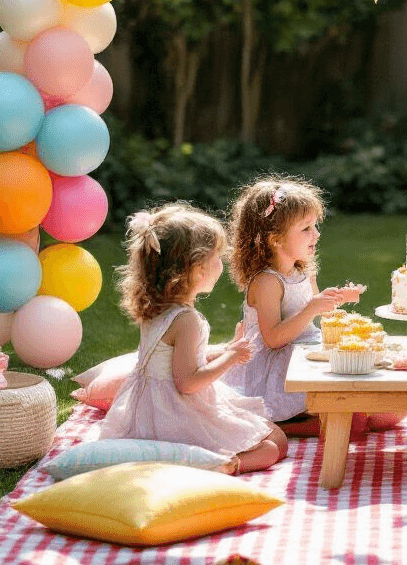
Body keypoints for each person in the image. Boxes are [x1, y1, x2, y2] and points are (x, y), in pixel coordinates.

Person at [101, 202, 288, 474]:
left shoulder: (157, 309)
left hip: (148, 412)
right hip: (177, 415)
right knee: (275, 445)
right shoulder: (187, 321)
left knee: (268, 432)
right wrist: (230, 359)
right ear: (197, 268)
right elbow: (188, 382)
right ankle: (221, 466)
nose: (221, 265)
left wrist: (224, 349)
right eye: (217, 258)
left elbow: (171, 359)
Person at [224, 176, 403, 438]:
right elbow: (273, 338)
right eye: (306, 228)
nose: (316, 234)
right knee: (355, 424)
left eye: (315, 226)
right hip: (276, 370)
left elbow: (317, 312)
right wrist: (311, 308)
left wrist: (336, 298)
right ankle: (284, 425)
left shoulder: (303, 271)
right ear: (275, 240)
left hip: (305, 352)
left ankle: (336, 417)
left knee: (393, 413)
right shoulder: (267, 282)